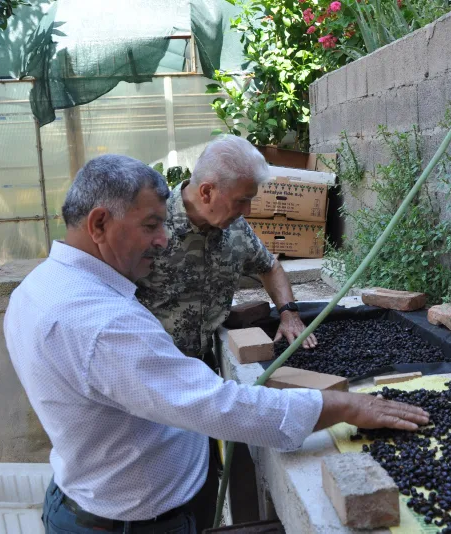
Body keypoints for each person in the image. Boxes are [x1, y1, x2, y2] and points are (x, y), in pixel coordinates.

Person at [4, 154, 429, 534]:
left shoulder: (39, 287)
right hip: (135, 521)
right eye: (150, 226)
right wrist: (343, 406)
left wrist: (286, 311)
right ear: (99, 224)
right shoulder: (105, 324)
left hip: (91, 493)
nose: (163, 239)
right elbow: (217, 406)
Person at [134, 135, 318, 530]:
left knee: (200, 485)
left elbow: (269, 266)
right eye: (242, 200)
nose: (249, 210)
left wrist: (287, 313)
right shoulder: (150, 225)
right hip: (147, 381)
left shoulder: (236, 229)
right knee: (154, 496)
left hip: (200, 374)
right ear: (206, 191)